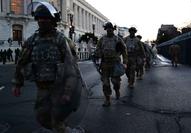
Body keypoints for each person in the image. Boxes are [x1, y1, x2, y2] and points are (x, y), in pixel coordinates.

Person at [12, 2, 83, 133]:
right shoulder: (32, 40)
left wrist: (68, 92)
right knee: (42, 117)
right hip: (42, 87)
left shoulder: (62, 40)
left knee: (57, 119)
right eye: (39, 19)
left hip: (59, 87)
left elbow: (72, 68)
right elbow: (21, 62)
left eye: (45, 19)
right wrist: (17, 84)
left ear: (52, 21)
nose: (42, 21)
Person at [95, 22, 128, 107]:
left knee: (116, 82)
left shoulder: (118, 39)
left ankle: (117, 90)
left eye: (111, 28)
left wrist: (125, 62)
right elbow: (97, 50)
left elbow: (124, 51)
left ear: (113, 29)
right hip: (105, 64)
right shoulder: (102, 39)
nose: (109, 30)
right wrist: (98, 56)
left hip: (115, 64)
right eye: (107, 28)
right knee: (105, 83)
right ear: (106, 29)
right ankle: (107, 99)